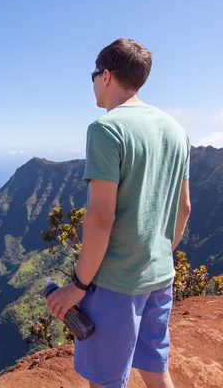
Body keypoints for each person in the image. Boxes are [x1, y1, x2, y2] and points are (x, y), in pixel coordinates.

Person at [46, 38, 191, 388]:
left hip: (115, 284)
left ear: (106, 75)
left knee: (106, 381)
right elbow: (183, 208)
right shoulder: (176, 131)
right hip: (159, 275)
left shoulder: (106, 129)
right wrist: (156, 255)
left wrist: (78, 287)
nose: (93, 83)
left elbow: (100, 218)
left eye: (93, 75)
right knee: (157, 370)